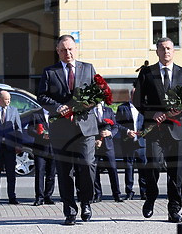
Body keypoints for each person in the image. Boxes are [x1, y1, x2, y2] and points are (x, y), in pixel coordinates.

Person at [37, 34, 99, 225]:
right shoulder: (49, 72)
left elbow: (98, 93)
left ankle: (86, 202)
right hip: (61, 131)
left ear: (76, 48)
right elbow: (42, 96)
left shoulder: (88, 69)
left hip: (85, 129)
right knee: (64, 172)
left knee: (88, 165)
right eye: (63, 50)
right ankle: (70, 211)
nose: (68, 53)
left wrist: (88, 103)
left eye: (70, 49)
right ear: (58, 51)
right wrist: (57, 107)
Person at [133, 37, 182, 223]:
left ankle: (174, 209)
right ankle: (150, 196)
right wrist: (153, 113)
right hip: (154, 129)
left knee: (176, 172)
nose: (166, 52)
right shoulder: (147, 73)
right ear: (157, 52)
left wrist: (180, 110)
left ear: (173, 51)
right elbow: (138, 101)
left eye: (169, 48)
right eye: (162, 49)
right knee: (153, 166)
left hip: (176, 129)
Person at [116, 87, 147, 200]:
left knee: (143, 168)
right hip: (128, 142)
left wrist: (143, 132)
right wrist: (127, 132)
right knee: (129, 168)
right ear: (131, 95)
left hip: (141, 143)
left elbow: (148, 124)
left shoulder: (144, 108)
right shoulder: (122, 108)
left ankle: (144, 192)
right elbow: (117, 124)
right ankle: (129, 192)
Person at [93, 103, 123, 203]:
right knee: (95, 171)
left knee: (113, 170)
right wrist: (95, 139)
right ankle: (97, 194)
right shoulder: (90, 111)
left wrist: (110, 133)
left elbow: (115, 126)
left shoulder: (108, 110)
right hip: (96, 145)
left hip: (108, 146)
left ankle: (117, 194)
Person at [27, 108, 56, 206]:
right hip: (40, 149)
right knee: (39, 173)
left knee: (51, 174)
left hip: (53, 149)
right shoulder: (35, 114)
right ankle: (39, 197)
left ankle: (48, 196)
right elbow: (30, 130)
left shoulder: (56, 113)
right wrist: (40, 135)